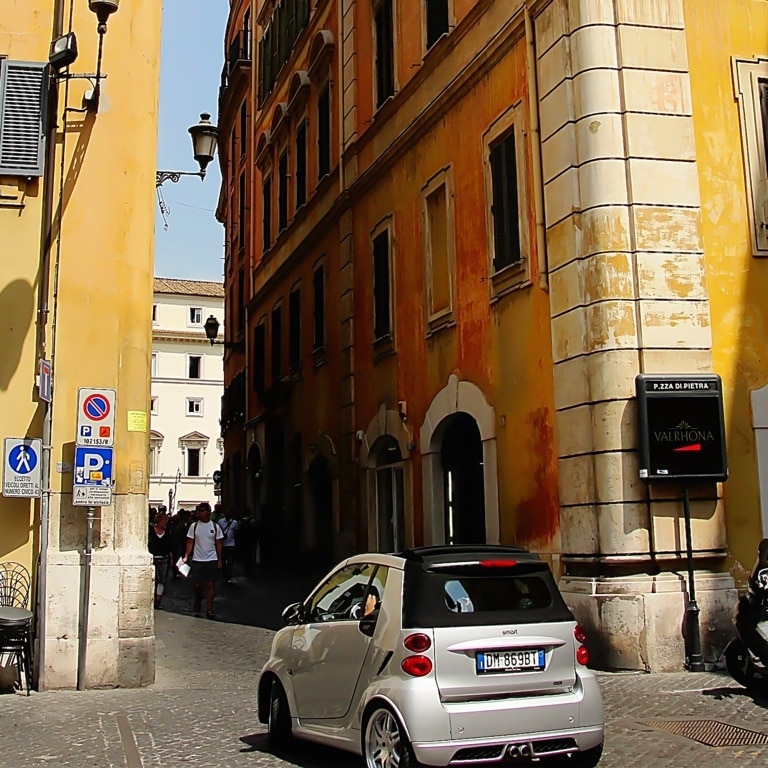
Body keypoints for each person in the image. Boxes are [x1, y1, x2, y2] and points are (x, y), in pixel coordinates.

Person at [183, 502, 223, 619]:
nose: (199, 513)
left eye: (202, 510)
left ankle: (209, 608)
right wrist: (186, 555)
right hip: (197, 559)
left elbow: (219, 544)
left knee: (210, 584)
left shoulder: (215, 527)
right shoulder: (194, 526)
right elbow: (190, 542)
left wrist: (220, 560)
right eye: (198, 511)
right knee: (197, 584)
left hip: (211, 559)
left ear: (208, 512)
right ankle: (198, 597)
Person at [148, 510, 173, 609]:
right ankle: (151, 598)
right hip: (153, 557)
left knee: (162, 580)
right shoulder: (150, 532)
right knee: (151, 579)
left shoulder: (167, 533)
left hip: (164, 558)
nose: (165, 523)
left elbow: (170, 546)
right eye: (164, 520)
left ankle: (158, 600)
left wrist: (171, 558)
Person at [217, 508, 239, 582]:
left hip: (231, 544)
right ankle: (224, 574)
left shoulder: (235, 523)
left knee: (230, 561)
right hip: (222, 544)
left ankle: (228, 575)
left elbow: (236, 533)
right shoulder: (220, 521)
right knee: (223, 560)